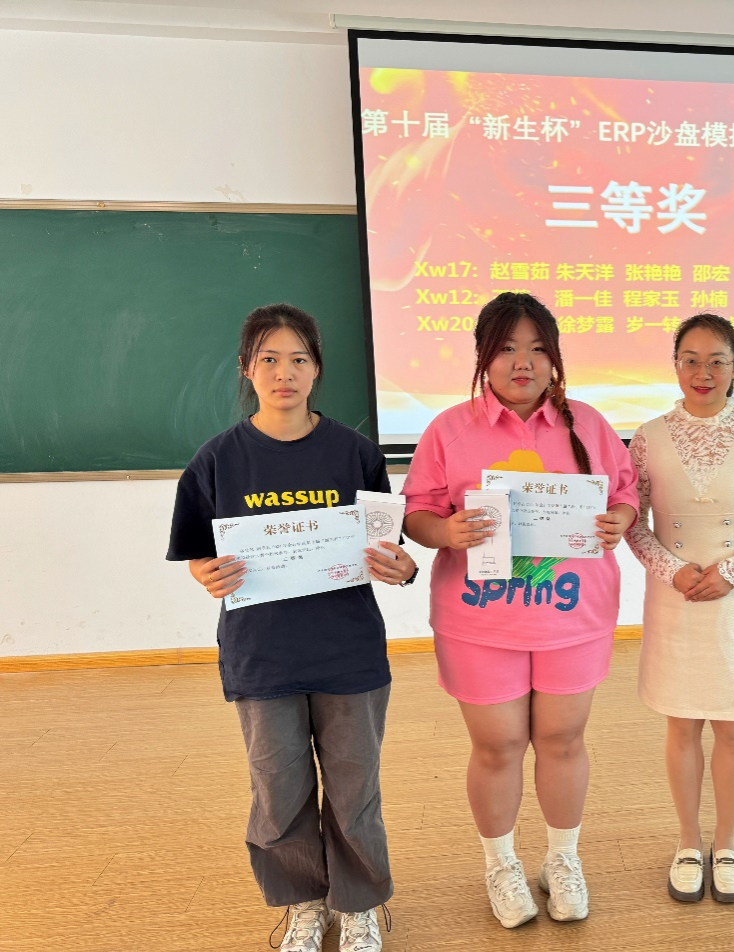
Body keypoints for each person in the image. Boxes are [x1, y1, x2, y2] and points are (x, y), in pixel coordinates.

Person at [166, 303, 415, 952]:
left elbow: (392, 548)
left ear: (317, 370)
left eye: (299, 359)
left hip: (348, 654)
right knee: (279, 793)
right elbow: (197, 554)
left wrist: (402, 567)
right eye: (269, 359)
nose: (285, 372)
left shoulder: (356, 454)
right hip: (263, 657)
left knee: (355, 792)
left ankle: (358, 907)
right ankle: (305, 905)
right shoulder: (216, 461)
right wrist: (206, 574)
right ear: (246, 369)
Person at [401, 292, 638, 929]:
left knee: (562, 739)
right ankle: (501, 863)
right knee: (498, 745)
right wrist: (445, 532)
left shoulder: (588, 424)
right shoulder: (449, 429)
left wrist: (619, 519)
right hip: (479, 621)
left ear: (555, 358)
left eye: (537, 349)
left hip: (573, 616)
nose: (523, 362)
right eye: (506, 348)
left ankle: (563, 859)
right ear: (484, 355)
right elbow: (418, 511)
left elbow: (624, 492)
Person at [625, 314, 734, 904]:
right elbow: (632, 521)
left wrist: (733, 571)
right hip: (675, 598)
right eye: (691, 360)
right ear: (675, 365)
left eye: (717, 360)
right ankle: (687, 842)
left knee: (732, 726)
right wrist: (671, 569)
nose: (703, 372)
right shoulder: (647, 436)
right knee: (681, 724)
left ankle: (726, 844)